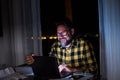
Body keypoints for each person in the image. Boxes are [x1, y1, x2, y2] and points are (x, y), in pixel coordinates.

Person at [26, 18, 98, 76]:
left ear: (72, 32)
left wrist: (72, 70)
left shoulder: (84, 44)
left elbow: (94, 70)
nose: (60, 37)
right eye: (58, 33)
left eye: (64, 33)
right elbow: (49, 66)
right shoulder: (55, 46)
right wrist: (35, 61)